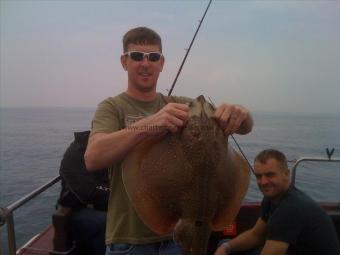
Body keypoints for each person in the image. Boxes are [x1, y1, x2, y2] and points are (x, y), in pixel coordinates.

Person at [84, 26, 254, 255]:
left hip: (179, 237)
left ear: (161, 63)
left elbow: (244, 127)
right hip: (128, 240)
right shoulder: (112, 107)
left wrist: (241, 115)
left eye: (153, 57)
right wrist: (152, 123)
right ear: (124, 62)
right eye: (136, 56)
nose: (145, 63)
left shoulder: (183, 105)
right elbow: (93, 157)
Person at [214, 149, 340, 255]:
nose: (263, 182)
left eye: (270, 175)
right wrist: (226, 248)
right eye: (259, 176)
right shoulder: (272, 198)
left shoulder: (291, 208)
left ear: (286, 174)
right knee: (223, 244)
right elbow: (256, 235)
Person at [58, 131, 109, 255]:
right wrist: (117, 195)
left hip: (99, 205)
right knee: (109, 221)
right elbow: (88, 192)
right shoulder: (75, 155)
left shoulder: (100, 148)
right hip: (76, 209)